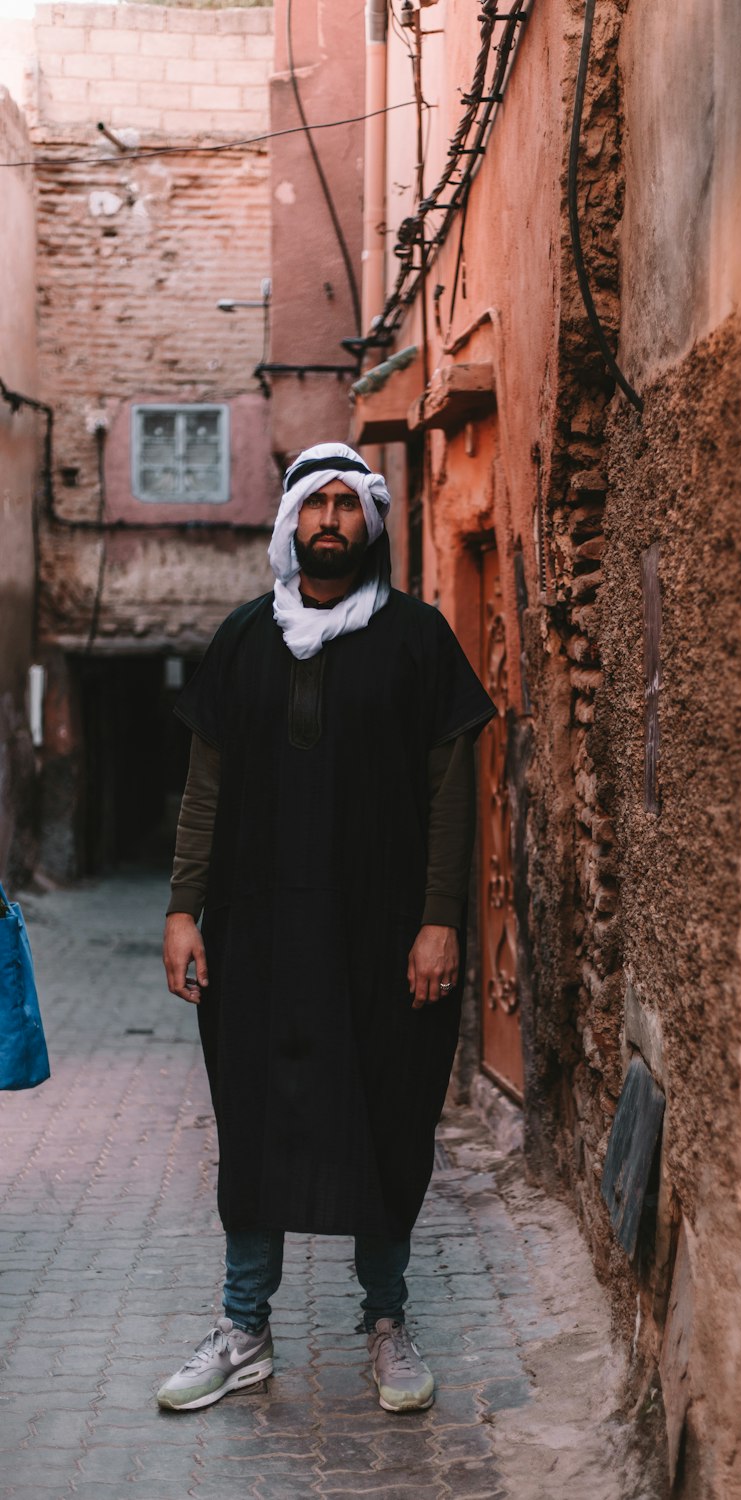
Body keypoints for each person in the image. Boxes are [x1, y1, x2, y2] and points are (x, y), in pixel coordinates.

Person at [156, 442, 495, 1415]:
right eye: (318, 504)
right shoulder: (240, 642)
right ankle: (244, 1329)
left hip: (382, 940)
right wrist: (184, 907)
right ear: (292, 522)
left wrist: (439, 921)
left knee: (386, 1118)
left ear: (372, 524)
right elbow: (205, 788)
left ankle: (386, 1326)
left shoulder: (419, 640)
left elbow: (449, 795)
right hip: (256, 937)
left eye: (350, 503)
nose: (333, 519)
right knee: (256, 1123)